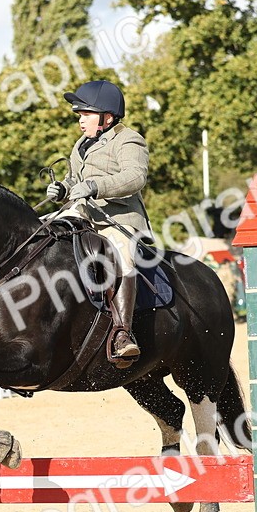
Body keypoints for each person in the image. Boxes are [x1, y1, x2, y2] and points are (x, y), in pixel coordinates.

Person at [45, 79, 150, 366]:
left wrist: (95, 186)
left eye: (85, 115)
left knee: (123, 257)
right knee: (42, 236)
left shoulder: (128, 139)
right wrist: (63, 190)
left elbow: (135, 177)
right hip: (83, 216)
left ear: (107, 116)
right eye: (79, 115)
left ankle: (122, 334)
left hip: (118, 220)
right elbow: (74, 182)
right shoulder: (80, 145)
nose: (80, 121)